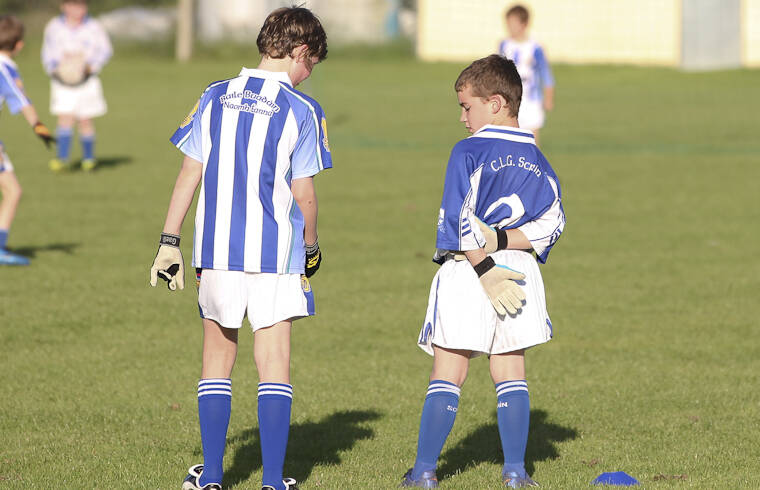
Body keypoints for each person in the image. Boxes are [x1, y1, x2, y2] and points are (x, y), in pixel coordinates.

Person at [149, 7, 331, 490]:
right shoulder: (303, 110)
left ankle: (211, 477)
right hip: (277, 256)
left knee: (217, 359)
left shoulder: (213, 95)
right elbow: (304, 192)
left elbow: (190, 172)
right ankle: (272, 482)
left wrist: (169, 241)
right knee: (273, 361)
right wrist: (311, 246)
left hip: (217, 252)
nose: (309, 75)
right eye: (311, 65)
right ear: (300, 52)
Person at [401, 54, 565, 488]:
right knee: (510, 370)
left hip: (470, 270)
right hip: (520, 274)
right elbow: (553, 224)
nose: (461, 117)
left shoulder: (469, 151)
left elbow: (456, 220)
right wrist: (502, 242)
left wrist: (485, 264)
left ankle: (424, 472)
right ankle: (514, 472)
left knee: (449, 369)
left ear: (495, 103)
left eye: (466, 106)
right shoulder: (541, 161)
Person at [0, 15, 56, 266]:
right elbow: (21, 98)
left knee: (12, 190)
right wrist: (39, 127)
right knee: (13, 190)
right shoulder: (5, 67)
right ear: (19, 45)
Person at [42, 0, 112, 172]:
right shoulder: (54, 27)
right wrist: (56, 69)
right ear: (64, 6)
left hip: (87, 81)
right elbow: (48, 52)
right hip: (62, 82)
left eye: (81, 5)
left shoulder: (94, 26)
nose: (77, 9)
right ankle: (62, 159)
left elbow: (105, 50)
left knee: (85, 119)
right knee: (64, 118)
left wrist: (91, 66)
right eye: (73, 5)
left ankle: (88, 159)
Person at [498, 4, 554, 145]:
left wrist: (548, 98)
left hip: (531, 99)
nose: (509, 27)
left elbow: (546, 75)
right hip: (510, 100)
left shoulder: (535, 48)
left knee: (532, 142)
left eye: (513, 23)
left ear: (524, 24)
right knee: (508, 140)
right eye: (508, 23)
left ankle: (534, 166)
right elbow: (498, 72)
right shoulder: (504, 45)